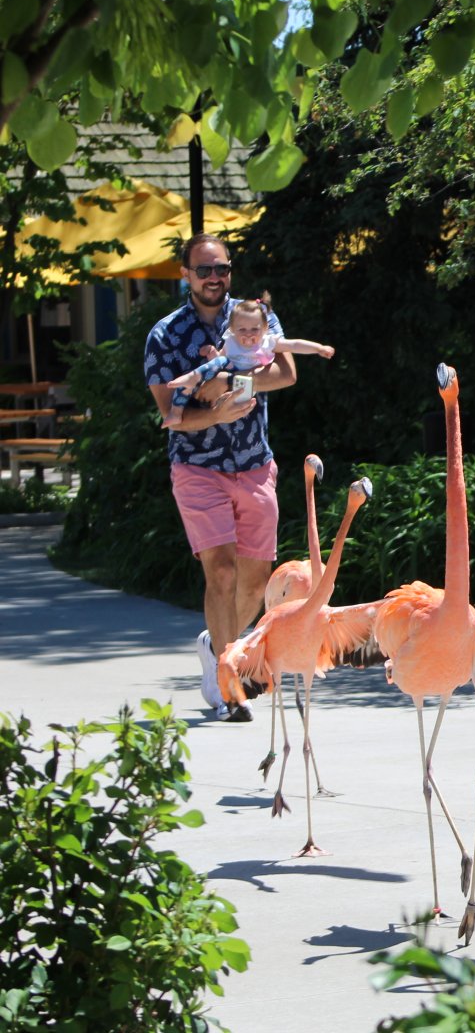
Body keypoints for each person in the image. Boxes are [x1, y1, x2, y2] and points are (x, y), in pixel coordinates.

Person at [144, 234, 298, 721]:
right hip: (198, 469)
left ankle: (217, 643)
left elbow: (286, 373)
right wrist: (214, 413)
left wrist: (227, 382)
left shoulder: (256, 316)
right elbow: (170, 415)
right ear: (185, 275)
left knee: (254, 583)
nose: (214, 278)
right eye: (204, 270)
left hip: (255, 465)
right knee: (222, 572)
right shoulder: (165, 336)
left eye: (222, 269)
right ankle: (230, 689)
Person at [163, 298, 334, 426]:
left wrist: (318, 348)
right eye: (242, 329)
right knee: (188, 385)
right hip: (228, 375)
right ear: (232, 329)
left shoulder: (267, 342)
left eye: (254, 329)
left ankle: (195, 379)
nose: (248, 334)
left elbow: (294, 344)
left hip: (246, 388)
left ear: (265, 328)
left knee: (223, 390)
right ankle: (177, 411)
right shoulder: (231, 341)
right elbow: (219, 362)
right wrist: (212, 353)